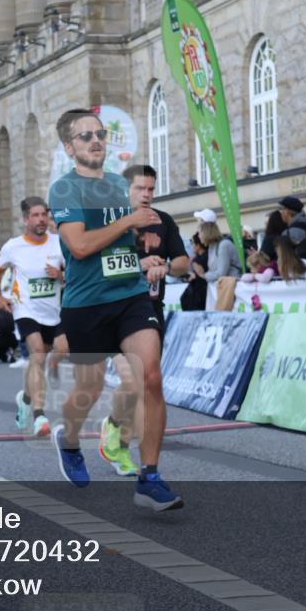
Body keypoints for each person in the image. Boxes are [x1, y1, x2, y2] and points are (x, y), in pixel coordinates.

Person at [48, 108, 182, 511]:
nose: (95, 141)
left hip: (131, 297)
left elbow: (126, 245)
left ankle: (150, 477)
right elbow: (81, 247)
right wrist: (127, 221)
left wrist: (149, 260)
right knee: (87, 390)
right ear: (70, 147)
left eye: (100, 134)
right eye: (85, 136)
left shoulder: (118, 186)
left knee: (152, 378)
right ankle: (68, 440)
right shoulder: (65, 190)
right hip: (86, 303)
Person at [99, 164, 189, 475]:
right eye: (140, 188)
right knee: (133, 380)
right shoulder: (112, 222)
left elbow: (182, 261)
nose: (147, 194)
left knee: (145, 381)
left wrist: (166, 266)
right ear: (126, 190)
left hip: (150, 310)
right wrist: (138, 263)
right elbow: (101, 265)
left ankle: (113, 427)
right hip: (116, 310)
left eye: (151, 189)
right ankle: (121, 448)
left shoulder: (163, 221)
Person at [0, 197, 67, 437]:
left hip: (53, 311)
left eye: (44, 214)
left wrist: (60, 275)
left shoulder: (59, 242)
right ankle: (39, 415)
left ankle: (25, 397)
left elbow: (72, 274)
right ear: (25, 220)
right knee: (37, 353)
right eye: (36, 215)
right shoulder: (14, 246)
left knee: (54, 353)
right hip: (25, 308)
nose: (42, 219)